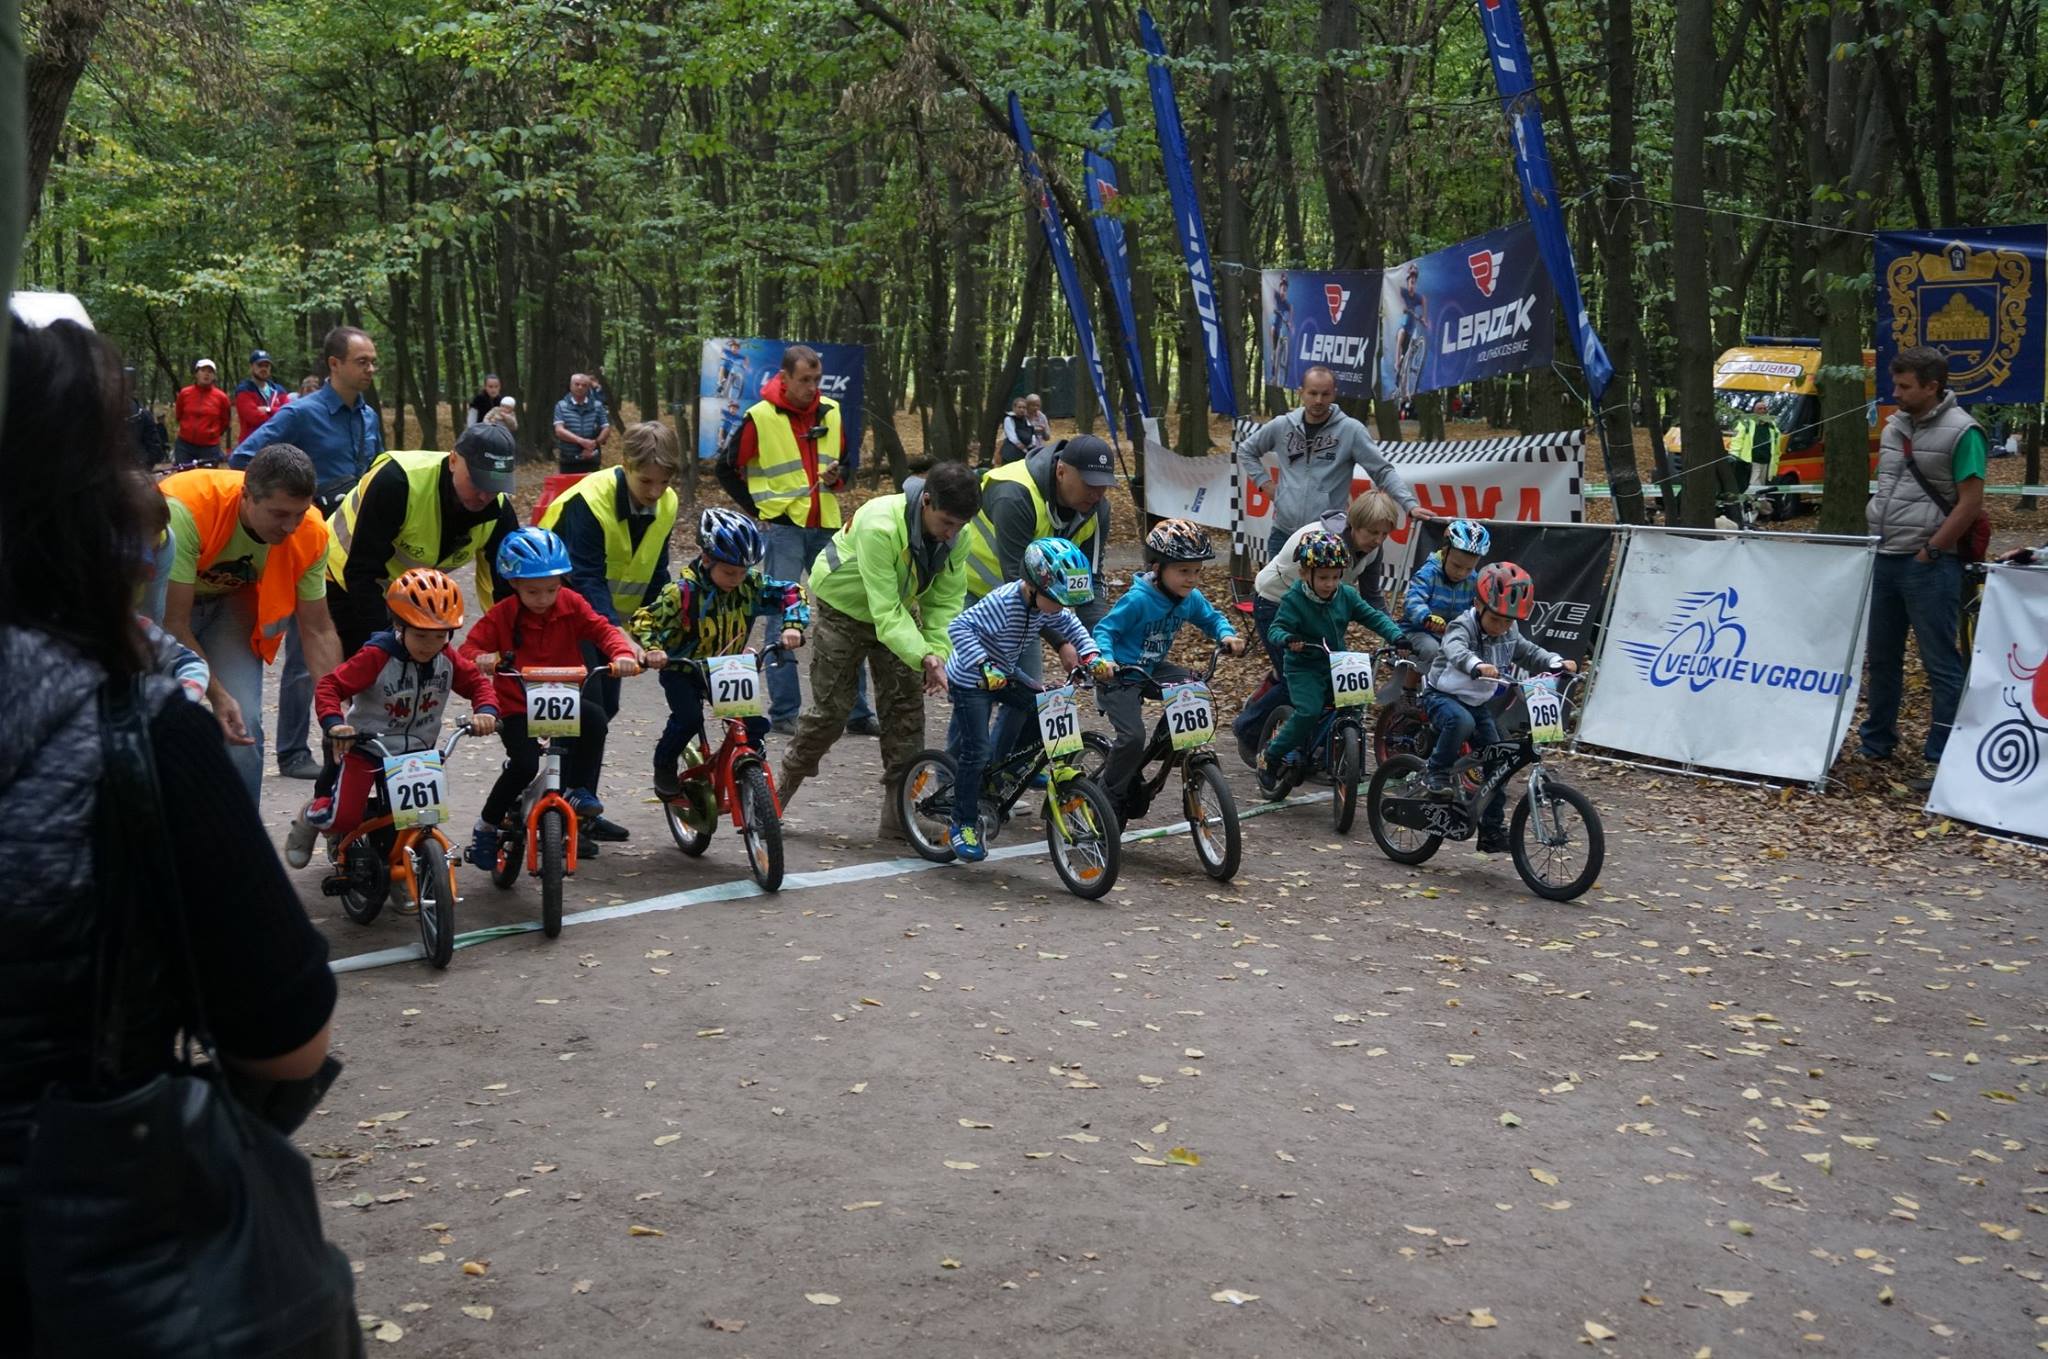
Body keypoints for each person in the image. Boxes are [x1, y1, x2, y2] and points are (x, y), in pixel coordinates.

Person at [1, 309, 344, 1348]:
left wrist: (343, 720)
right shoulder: (133, 706)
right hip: (68, 1237)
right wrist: (200, 703)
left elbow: (319, 628)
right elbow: (292, 1041)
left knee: (243, 735)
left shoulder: (307, 535)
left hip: (221, 624)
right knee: (222, 727)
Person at [776, 461, 982, 837]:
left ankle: (899, 816)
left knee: (906, 713)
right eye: (947, 523)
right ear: (927, 501)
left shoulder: (957, 535)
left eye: (960, 525)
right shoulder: (881, 525)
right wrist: (923, 655)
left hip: (899, 610)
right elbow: (884, 611)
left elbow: (945, 602)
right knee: (830, 714)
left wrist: (937, 651)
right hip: (844, 609)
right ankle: (775, 798)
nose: (952, 534)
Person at [230, 326, 388, 777]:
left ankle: (342, 742)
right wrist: (297, 507)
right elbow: (244, 459)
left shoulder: (368, 417)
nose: (370, 369)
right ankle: (292, 751)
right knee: (304, 649)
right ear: (334, 364)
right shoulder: (301, 413)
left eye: (373, 362)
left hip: (353, 549)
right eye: (362, 361)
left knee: (347, 642)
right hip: (306, 540)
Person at [159, 445, 344, 803]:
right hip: (168, 609)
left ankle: (242, 828)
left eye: (300, 513)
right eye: (279, 514)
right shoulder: (188, 509)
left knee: (242, 723)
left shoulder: (309, 531)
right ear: (247, 496)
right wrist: (216, 694)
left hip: (230, 603)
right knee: (161, 720)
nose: (290, 526)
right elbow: (173, 623)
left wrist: (334, 710)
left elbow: (318, 630)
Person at [283, 568, 501, 868]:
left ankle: (407, 868)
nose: (429, 645)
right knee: (343, 816)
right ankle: (311, 816)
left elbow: (477, 683)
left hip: (417, 754)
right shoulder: (376, 656)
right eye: (420, 635)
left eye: (440, 636)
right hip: (366, 747)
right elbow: (330, 686)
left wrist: (486, 711)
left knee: (419, 818)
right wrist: (336, 723)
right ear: (399, 626)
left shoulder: (446, 658)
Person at [460, 528, 646, 865]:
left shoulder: (571, 603)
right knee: (524, 765)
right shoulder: (503, 614)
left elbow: (602, 629)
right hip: (517, 703)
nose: (543, 598)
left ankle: (577, 790)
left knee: (595, 719)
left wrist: (621, 653)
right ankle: (486, 825)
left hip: (564, 698)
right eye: (533, 591)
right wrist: (481, 658)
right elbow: (468, 650)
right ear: (514, 584)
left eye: (551, 589)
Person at [721, 343, 875, 735]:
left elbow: (845, 468)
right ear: (784, 378)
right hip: (784, 528)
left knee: (847, 613)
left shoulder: (832, 412)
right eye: (804, 380)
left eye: (816, 379)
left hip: (826, 525)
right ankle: (785, 712)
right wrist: (758, 510)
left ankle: (856, 712)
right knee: (782, 616)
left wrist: (837, 477)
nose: (812, 387)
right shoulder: (760, 417)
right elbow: (725, 467)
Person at [539, 420, 682, 842]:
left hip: (604, 621)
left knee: (604, 709)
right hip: (561, 614)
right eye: (646, 481)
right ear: (625, 464)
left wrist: (661, 628)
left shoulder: (667, 502)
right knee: (588, 711)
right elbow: (585, 578)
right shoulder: (589, 501)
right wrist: (619, 639)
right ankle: (561, 810)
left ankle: (578, 805)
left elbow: (656, 571)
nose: (656, 491)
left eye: (664, 481)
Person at [1861, 345, 1986, 788]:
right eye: (1895, 384)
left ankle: (1943, 754)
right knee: (1882, 657)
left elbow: (1970, 502)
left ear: (1932, 387)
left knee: (1939, 662)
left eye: (1904, 386)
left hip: (1929, 564)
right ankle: (1876, 743)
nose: (1895, 393)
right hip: (1885, 556)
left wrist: (1932, 550)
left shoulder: (1964, 432)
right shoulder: (1894, 427)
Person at [942, 537, 1112, 861]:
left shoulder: (1048, 605)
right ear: (1033, 586)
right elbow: (959, 627)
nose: (1060, 608)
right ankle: (962, 823)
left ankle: (1011, 769)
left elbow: (1072, 626)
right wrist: (983, 664)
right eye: (1057, 600)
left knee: (1043, 705)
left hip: (1004, 673)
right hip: (971, 679)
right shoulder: (1003, 603)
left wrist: (1092, 655)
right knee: (976, 751)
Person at [629, 507, 807, 800]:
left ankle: (752, 779)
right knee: (688, 719)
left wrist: (792, 626)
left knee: (753, 726)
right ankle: (664, 764)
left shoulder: (750, 586)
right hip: (684, 669)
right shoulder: (681, 593)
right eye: (729, 572)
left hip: (726, 668)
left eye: (742, 572)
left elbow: (792, 592)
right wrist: (654, 649)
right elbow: (643, 619)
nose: (737, 578)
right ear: (706, 559)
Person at [1232, 491, 1400, 766]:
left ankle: (1324, 748)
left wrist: (1396, 634)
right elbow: (1299, 597)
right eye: (1373, 532)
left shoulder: (1371, 551)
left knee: (1338, 684)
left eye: (1385, 534)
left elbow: (1371, 598)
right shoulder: (1316, 543)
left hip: (1320, 607)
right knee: (1298, 682)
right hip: (1279, 603)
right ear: (1354, 525)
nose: (1378, 540)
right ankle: (1249, 731)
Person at [1093, 519, 1244, 823]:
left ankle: (1166, 746)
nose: (1192, 579)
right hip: (1120, 675)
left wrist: (1226, 634)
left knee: (1193, 688)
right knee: (1132, 738)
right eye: (1183, 571)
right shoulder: (1138, 600)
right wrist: (1106, 659)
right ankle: (1108, 796)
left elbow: (1212, 618)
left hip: (1151, 668)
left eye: (1197, 571)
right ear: (1158, 568)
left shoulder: (1189, 598)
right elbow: (1105, 630)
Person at [325, 422, 522, 656]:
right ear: (453, 460)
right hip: (342, 575)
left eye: (494, 486)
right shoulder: (398, 482)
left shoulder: (498, 512)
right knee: (364, 665)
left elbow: (502, 590)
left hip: (407, 593)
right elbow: (361, 572)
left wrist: (509, 650)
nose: (484, 495)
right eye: (476, 482)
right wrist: (388, 644)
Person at [1421, 562, 1574, 851]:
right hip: (1442, 696)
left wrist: (1555, 662)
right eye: (1496, 619)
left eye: (1508, 621)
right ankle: (1436, 771)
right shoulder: (1462, 625)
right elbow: (1455, 648)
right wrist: (1476, 664)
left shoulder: (1509, 631)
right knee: (1461, 721)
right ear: (1478, 605)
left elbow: (1528, 652)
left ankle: (1491, 831)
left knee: (1498, 765)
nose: (1502, 627)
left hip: (1477, 704)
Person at [1234, 364, 1433, 567]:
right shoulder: (1282, 425)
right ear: (1301, 392)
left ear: (1334, 394)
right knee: (1275, 587)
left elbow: (1382, 471)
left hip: (1326, 535)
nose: (1319, 400)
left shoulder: (1351, 430)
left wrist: (1410, 505)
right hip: (1283, 532)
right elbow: (1246, 451)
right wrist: (1265, 484)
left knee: (1323, 587)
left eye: (1325, 394)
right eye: (1313, 393)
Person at [955, 434, 1117, 683]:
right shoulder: (1015, 494)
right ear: (1061, 471)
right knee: (976, 686)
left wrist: (1099, 650)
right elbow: (1021, 580)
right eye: (1089, 484)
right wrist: (1062, 642)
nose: (1097, 494)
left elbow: (1089, 584)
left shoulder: (1097, 511)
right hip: (976, 593)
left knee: (1030, 691)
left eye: (1103, 485)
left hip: (1031, 600)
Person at [1257, 529, 1405, 794]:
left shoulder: (1346, 595)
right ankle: (1271, 756)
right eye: (1323, 577)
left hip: (1337, 663)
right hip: (1304, 667)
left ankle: (1341, 754)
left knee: (1355, 704)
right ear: (1305, 574)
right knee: (1309, 711)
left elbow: (1373, 616)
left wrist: (1397, 636)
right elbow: (1276, 629)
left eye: (1336, 577)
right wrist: (1289, 639)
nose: (1330, 584)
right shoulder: (1294, 599)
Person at [1402, 518, 1488, 666]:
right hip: (1417, 631)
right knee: (1432, 649)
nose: (1461, 573)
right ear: (1444, 553)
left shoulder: (1473, 580)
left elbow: (1476, 609)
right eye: (1456, 566)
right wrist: (1426, 617)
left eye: (1468, 569)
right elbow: (1412, 601)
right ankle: (1412, 681)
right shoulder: (1428, 573)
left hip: (1451, 636)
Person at [173, 357, 232, 464]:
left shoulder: (221, 398)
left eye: (210, 372)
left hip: (209, 448)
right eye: (203, 370)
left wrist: (211, 433)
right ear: (196, 374)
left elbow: (225, 421)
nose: (206, 374)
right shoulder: (185, 393)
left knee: (207, 474)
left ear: (214, 376)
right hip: (185, 446)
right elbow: (179, 415)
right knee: (184, 473)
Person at [552, 372, 611, 474]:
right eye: (577, 384)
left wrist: (594, 444)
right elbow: (559, 430)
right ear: (570, 386)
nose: (580, 387)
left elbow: (606, 427)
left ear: (588, 388)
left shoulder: (597, 406)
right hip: (568, 459)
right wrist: (581, 441)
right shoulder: (561, 406)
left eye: (584, 385)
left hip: (592, 459)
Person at [233, 348, 291, 445]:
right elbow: (253, 418)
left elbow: (288, 414)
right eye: (260, 365)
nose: (263, 369)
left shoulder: (279, 390)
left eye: (266, 366)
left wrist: (268, 410)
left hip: (276, 443)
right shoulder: (244, 390)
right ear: (251, 367)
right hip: (251, 444)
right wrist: (278, 415)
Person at [124, 364, 165, 467]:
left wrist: (145, 465)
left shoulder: (143, 415)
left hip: (139, 466)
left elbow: (154, 447)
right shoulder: (108, 414)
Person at [998, 397, 1033, 465]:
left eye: (1024, 408)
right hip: (1010, 454)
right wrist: (1024, 449)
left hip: (1023, 455)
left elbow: (1031, 433)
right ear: (1014, 408)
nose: (1022, 409)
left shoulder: (1026, 420)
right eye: (1019, 407)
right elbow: (1012, 437)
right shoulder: (1009, 419)